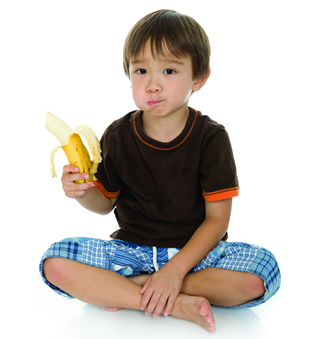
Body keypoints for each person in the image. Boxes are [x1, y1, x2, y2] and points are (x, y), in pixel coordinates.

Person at [40, 9, 281, 333]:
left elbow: (217, 220)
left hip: (197, 255)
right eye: (141, 70)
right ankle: (174, 301)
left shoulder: (211, 138)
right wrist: (82, 191)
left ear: (199, 77)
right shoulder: (118, 134)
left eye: (169, 70)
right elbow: (104, 204)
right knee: (54, 263)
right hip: (131, 251)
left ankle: (132, 289)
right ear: (128, 74)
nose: (152, 85)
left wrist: (175, 271)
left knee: (261, 276)